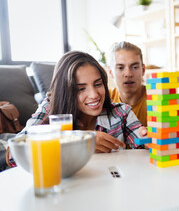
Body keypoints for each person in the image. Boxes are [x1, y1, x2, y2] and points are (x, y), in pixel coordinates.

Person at [7, 50, 145, 167]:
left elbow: (143, 145)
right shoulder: (51, 108)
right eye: (81, 89)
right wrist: (79, 142)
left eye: (98, 84)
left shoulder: (121, 112)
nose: (93, 95)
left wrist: (150, 139)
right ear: (65, 91)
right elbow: (13, 155)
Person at [107, 41, 147, 127]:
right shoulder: (104, 100)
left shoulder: (158, 99)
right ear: (110, 72)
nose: (128, 74)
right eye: (121, 68)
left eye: (135, 67)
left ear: (143, 70)